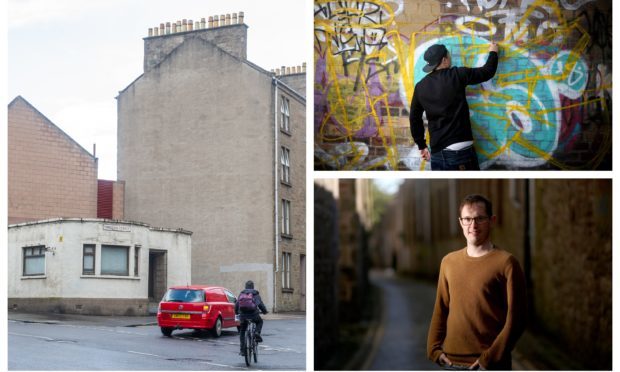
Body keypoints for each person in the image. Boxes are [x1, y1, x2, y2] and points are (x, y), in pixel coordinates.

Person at [427, 194, 527, 370]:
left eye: (479, 218)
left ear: (492, 220)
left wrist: (488, 359)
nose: (473, 225)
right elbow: (441, 308)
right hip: (451, 363)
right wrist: (433, 349)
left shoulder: (506, 263)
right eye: (467, 219)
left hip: (489, 365)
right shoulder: (448, 262)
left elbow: (517, 319)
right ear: (460, 222)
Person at [409, 43, 499, 170]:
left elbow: (414, 118)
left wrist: (421, 145)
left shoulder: (420, 87)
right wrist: (493, 52)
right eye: (449, 56)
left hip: (438, 152)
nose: (450, 58)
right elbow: (487, 72)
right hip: (461, 153)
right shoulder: (457, 74)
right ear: (444, 60)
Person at [235, 280, 268, 356]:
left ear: (245, 287)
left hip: (243, 316)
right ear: (253, 287)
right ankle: (256, 333)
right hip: (253, 315)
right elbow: (260, 305)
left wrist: (237, 313)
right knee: (260, 322)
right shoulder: (255, 294)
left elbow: (236, 305)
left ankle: (242, 350)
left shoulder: (241, 294)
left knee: (242, 331)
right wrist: (265, 311)